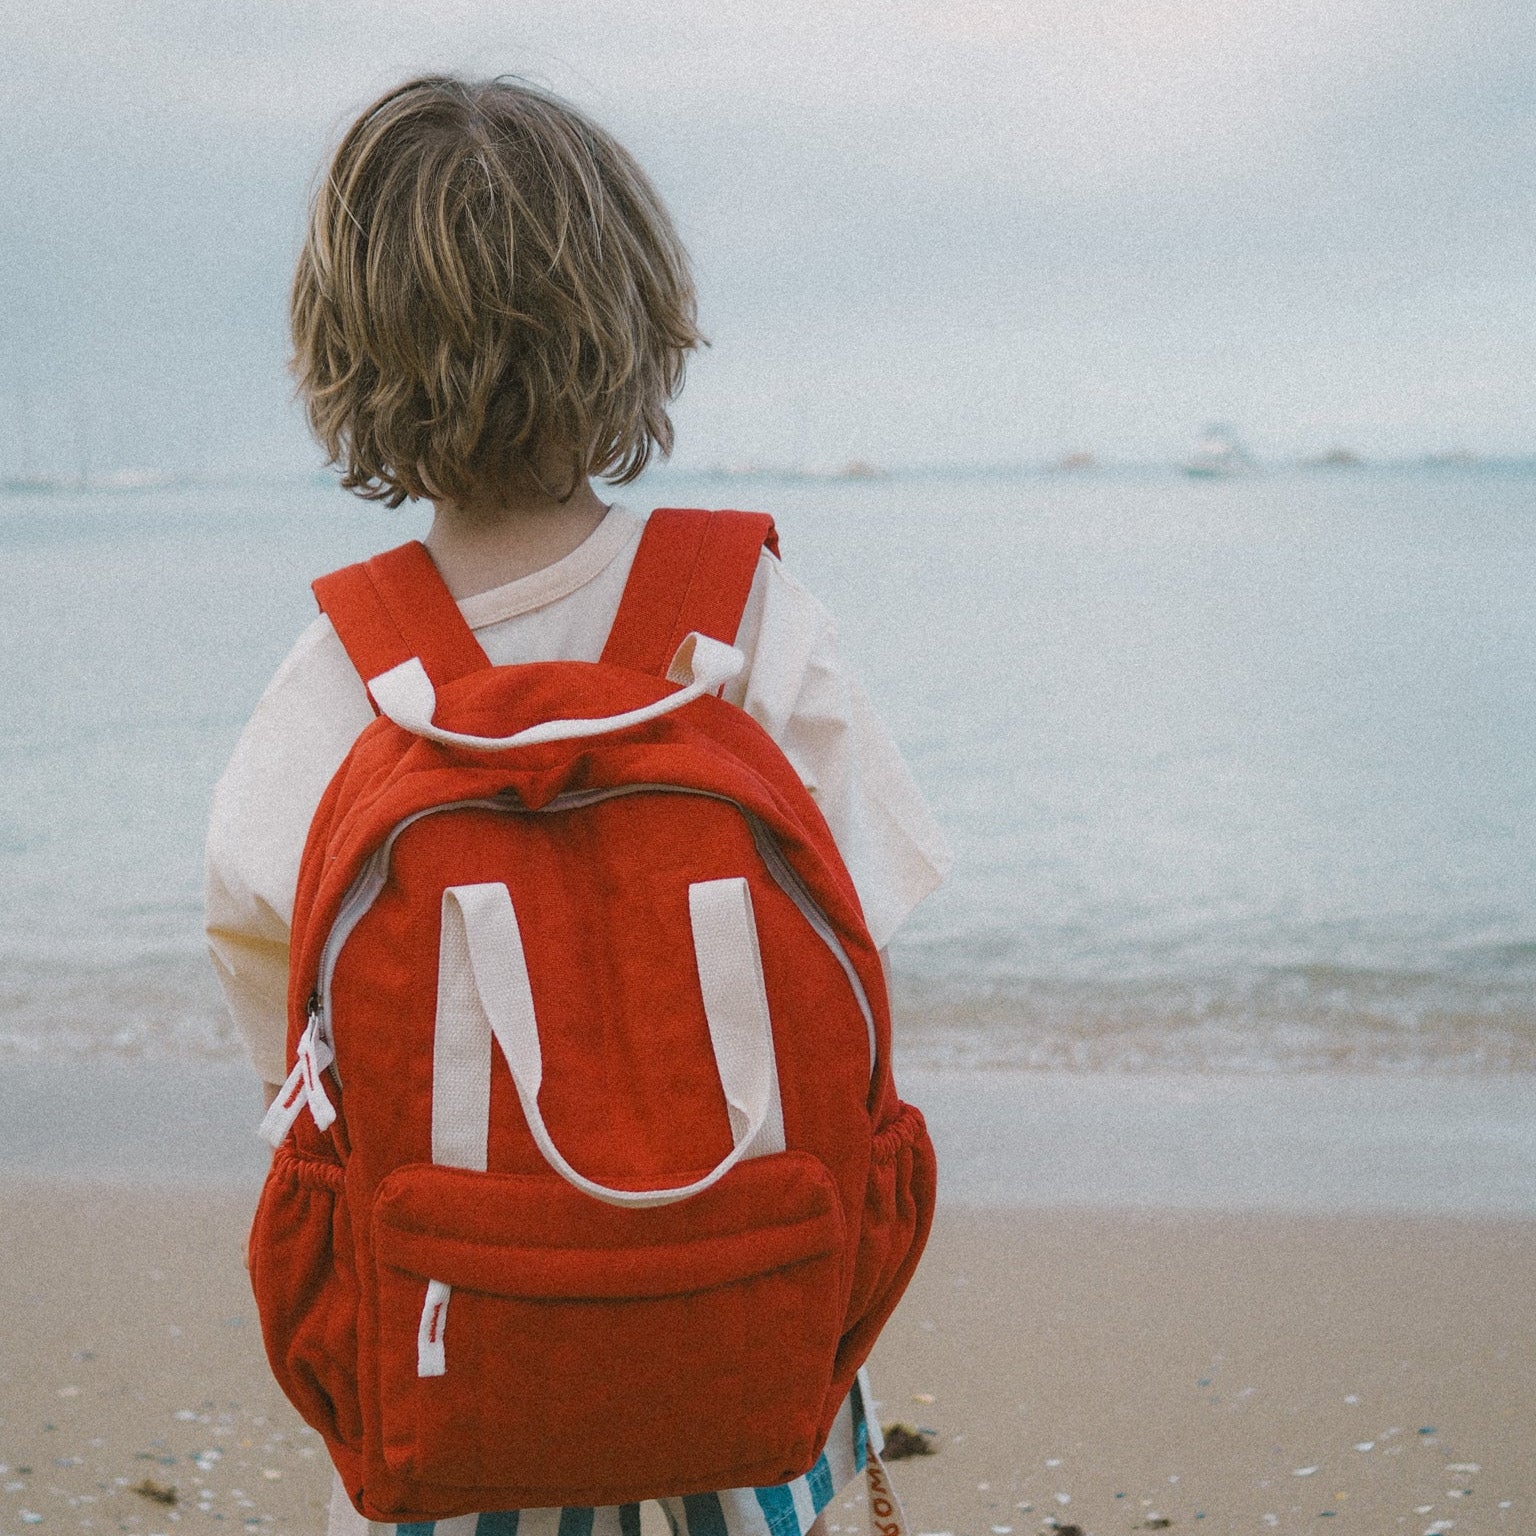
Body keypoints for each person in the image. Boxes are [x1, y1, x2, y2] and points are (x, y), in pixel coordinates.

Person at [205, 72, 950, 1536]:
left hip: (457, 1352)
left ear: (340, 352)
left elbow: (275, 1003)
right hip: (748, 1328)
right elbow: (860, 938)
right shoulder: (751, 618)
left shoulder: (340, 677)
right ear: (639, 317)